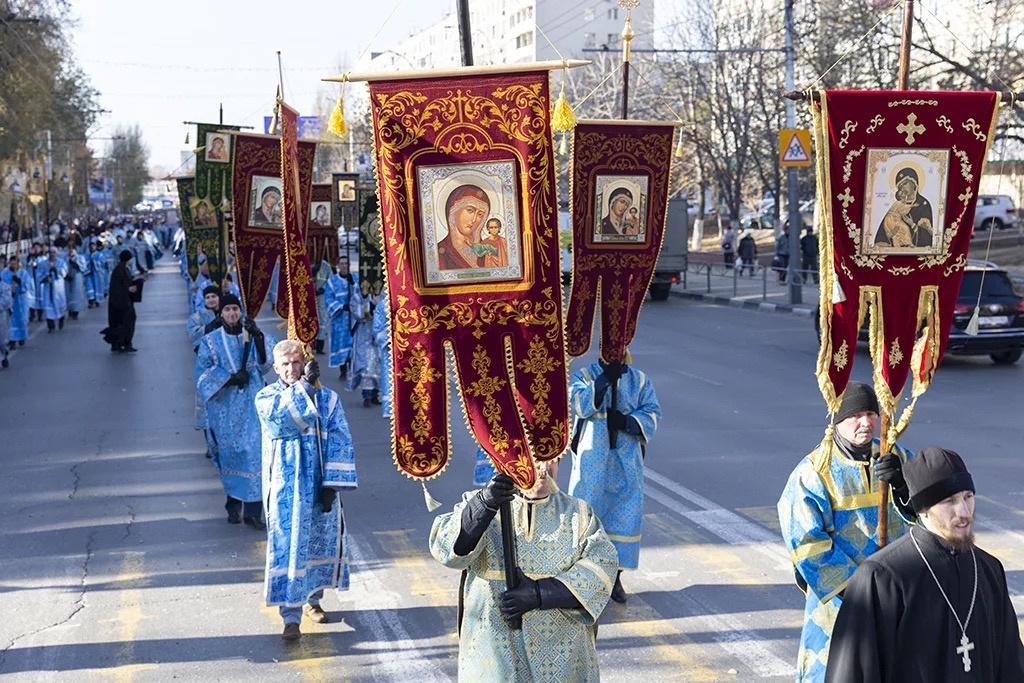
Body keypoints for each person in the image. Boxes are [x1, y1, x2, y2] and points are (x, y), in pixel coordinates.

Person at [825, 447, 1024, 682]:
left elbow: (1011, 666)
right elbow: (853, 673)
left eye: (968, 497)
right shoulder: (883, 577)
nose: (964, 511)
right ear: (923, 509)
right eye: (949, 501)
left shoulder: (988, 569)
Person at [429, 459, 618, 682]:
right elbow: (446, 550)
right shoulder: (480, 502)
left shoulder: (579, 513)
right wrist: (483, 506)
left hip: (563, 660)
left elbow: (603, 565)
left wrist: (540, 593)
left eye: (552, 460)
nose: (544, 469)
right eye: (534, 459)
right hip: (494, 653)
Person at [777, 381, 916, 683]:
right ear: (837, 420)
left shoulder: (897, 457)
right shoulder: (813, 472)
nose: (866, 423)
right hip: (841, 604)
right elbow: (806, 544)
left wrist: (904, 487)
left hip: (895, 598)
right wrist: (863, 588)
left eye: (871, 413)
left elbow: (933, 511)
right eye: (856, 415)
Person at [255, 343, 357, 642]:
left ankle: (314, 601)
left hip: (318, 484)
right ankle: (290, 616)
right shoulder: (266, 397)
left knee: (319, 542)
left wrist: (332, 484)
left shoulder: (328, 399)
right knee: (289, 547)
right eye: (285, 364)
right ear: (276, 368)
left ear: (305, 363)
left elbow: (341, 438)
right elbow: (280, 424)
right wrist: (304, 389)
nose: (291, 369)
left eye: (297, 363)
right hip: (286, 488)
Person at [567, 354, 661, 604]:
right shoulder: (584, 376)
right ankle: (584, 580)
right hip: (592, 465)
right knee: (587, 519)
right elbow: (578, 404)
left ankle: (615, 579)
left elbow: (653, 413)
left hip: (626, 464)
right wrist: (603, 381)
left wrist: (629, 422)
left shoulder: (639, 381)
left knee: (623, 519)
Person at [196, 295, 275, 528]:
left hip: (252, 402)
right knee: (231, 455)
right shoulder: (210, 341)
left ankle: (253, 512)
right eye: (228, 310)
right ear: (221, 313)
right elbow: (202, 374)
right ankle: (233, 506)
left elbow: (266, 365)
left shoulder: (251, 334)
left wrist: (258, 336)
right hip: (225, 408)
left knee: (255, 453)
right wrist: (229, 379)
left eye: (236, 309)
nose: (232, 314)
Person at [188, 285, 221, 453]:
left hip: (225, 366)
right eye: (208, 297)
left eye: (214, 296)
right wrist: (209, 327)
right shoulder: (197, 316)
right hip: (206, 367)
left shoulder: (228, 312)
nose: (211, 300)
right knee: (208, 404)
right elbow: (192, 335)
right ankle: (211, 445)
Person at [873, 167, 933, 249]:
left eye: (905, 184)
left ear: (914, 183)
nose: (903, 188)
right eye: (900, 187)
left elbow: (927, 236)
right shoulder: (897, 205)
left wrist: (912, 225)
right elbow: (882, 233)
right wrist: (890, 234)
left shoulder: (923, 205)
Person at [438, 184, 489, 270]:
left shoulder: (486, 251)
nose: (474, 220)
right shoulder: (441, 252)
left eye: (480, 215)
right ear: (454, 210)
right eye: (470, 210)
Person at [346, 287, 381, 407]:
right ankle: (367, 395)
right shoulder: (357, 297)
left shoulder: (382, 295)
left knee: (379, 366)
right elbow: (359, 315)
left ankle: (376, 394)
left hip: (378, 336)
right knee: (366, 366)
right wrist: (371, 304)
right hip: (363, 337)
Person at [102, 250, 138, 352]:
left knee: (122, 323)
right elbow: (118, 287)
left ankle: (121, 343)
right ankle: (123, 343)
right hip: (121, 303)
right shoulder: (119, 270)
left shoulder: (123, 269)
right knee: (123, 323)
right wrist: (128, 289)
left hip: (123, 301)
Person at [324, 258, 354, 379]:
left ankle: (352, 369)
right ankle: (343, 370)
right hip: (339, 320)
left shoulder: (355, 279)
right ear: (338, 266)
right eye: (341, 264)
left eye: (346, 263)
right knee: (341, 345)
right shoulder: (332, 281)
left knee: (353, 345)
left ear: (349, 265)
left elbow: (361, 295)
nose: (344, 266)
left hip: (353, 319)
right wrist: (341, 306)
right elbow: (328, 299)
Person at [372, 285, 392, 419]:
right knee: (388, 378)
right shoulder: (381, 307)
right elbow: (377, 330)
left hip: (405, 351)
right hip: (389, 350)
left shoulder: (405, 304)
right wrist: (392, 335)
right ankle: (389, 408)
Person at [2, 256, 29, 348]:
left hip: (20, 300)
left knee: (21, 318)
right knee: (10, 320)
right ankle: (12, 340)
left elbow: (26, 286)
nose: (13, 264)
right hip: (10, 299)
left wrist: (19, 282)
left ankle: (21, 337)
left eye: (15, 262)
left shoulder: (23, 273)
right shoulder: (4, 274)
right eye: (12, 262)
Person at [40, 248, 68, 332]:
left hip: (58, 288)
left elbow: (64, 272)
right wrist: (45, 278)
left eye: (54, 252)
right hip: (48, 288)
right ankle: (50, 326)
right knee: (48, 306)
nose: (52, 254)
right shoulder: (43, 263)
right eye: (50, 252)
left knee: (59, 305)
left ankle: (61, 320)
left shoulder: (61, 262)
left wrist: (55, 270)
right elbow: (39, 274)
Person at [311, 258, 331, 355]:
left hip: (322, 296)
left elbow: (330, 280)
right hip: (310, 296)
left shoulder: (326, 266)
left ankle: (320, 344)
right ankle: (310, 344)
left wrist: (323, 288)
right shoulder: (308, 262)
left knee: (322, 319)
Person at [65, 246, 88, 320]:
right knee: (68, 295)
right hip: (68, 279)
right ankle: (70, 310)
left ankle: (76, 311)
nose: (71, 251)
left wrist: (75, 264)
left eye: (72, 250)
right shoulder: (65, 258)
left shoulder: (80, 257)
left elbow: (83, 268)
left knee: (76, 294)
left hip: (77, 278)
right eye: (69, 250)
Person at [0, 275, 11, 368]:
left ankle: (4, 354)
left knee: (2, 340)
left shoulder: (4, 286)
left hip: (1, 316)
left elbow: (6, 300)